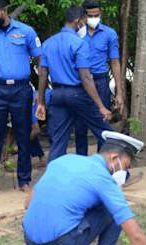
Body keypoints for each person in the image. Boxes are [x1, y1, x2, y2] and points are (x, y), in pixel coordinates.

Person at [22, 132, 146, 245]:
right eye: (126, 166)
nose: (125, 173)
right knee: (111, 211)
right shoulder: (103, 179)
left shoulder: (63, 160)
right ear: (114, 158)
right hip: (62, 244)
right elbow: (135, 234)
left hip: (30, 240)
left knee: (68, 212)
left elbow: (28, 204)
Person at [0, 0, 42, 193]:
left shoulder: (26, 31)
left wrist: (40, 92)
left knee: (23, 135)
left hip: (21, 89)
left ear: (4, 11)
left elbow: (40, 59)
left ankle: (24, 181)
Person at [35, 5, 112, 162]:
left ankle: (53, 182)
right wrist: (101, 106)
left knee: (58, 141)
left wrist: (41, 102)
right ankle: (119, 172)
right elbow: (85, 77)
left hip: (57, 94)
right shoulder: (79, 43)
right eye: (84, 21)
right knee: (105, 132)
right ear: (78, 22)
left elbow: (42, 74)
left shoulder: (48, 43)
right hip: (77, 94)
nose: (85, 25)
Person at [75, 0, 124, 155]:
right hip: (80, 82)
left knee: (103, 122)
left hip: (100, 81)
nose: (94, 18)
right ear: (84, 16)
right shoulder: (76, 34)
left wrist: (119, 92)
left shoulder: (109, 33)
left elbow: (115, 63)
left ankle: (102, 163)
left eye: (97, 15)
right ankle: (81, 162)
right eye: (91, 15)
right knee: (80, 125)